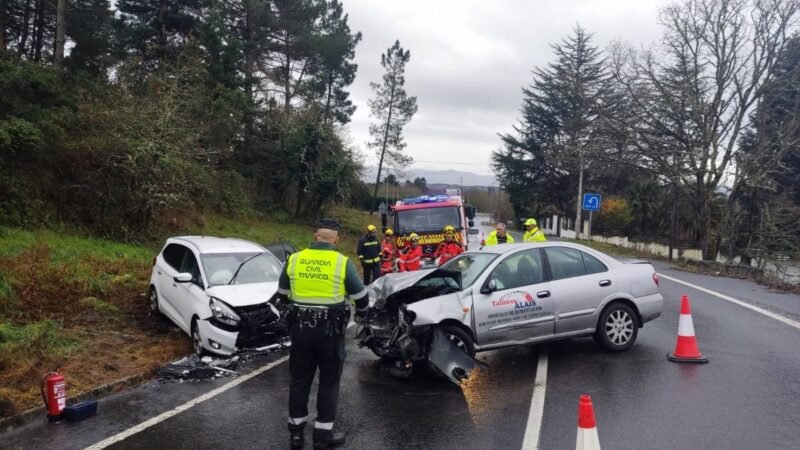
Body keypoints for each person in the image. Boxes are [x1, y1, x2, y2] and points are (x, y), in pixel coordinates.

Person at [273, 219, 369, 449]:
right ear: (336, 240)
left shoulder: (294, 259)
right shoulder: (342, 262)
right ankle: (322, 435)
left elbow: (282, 294)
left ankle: (296, 435)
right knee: (329, 381)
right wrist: (362, 313)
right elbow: (361, 299)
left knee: (299, 380)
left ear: (316, 236)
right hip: (329, 332)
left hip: (301, 329)